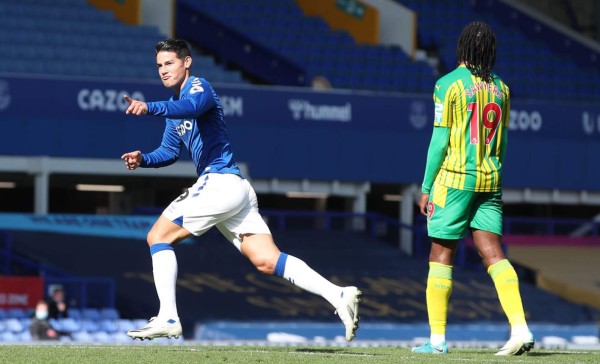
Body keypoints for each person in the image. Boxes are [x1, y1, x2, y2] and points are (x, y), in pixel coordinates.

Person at [120, 39, 362, 341]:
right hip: (233, 190)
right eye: (159, 66)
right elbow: (168, 152)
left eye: (169, 63)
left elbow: (192, 107)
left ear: (187, 62)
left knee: (158, 236)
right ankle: (338, 294)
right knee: (267, 260)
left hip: (219, 183)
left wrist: (149, 107)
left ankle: (168, 317)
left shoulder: (199, 88)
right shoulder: (174, 109)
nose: (163, 70)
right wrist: (143, 158)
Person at [412, 21, 534, 356]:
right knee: (493, 253)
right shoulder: (502, 89)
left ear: (462, 47)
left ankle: (436, 342)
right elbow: (504, 141)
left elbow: (439, 141)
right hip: (490, 182)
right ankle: (521, 328)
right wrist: (492, 173)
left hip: (453, 181)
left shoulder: (447, 85)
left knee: (441, 254)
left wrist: (426, 186)